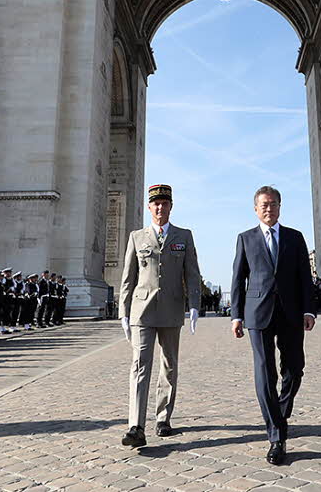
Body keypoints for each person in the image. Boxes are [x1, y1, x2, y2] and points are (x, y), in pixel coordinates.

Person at [230, 186, 315, 466]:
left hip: (291, 313)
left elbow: (306, 276)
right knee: (265, 373)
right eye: (264, 205)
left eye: (274, 204)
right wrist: (236, 316)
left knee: (295, 368)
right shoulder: (245, 239)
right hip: (258, 313)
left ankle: (280, 410)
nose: (269, 208)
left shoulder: (295, 237)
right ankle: (276, 436)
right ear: (255, 209)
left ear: (280, 207)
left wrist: (309, 310)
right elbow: (238, 279)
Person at [119, 184, 202, 449]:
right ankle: (136, 425)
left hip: (171, 309)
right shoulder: (136, 237)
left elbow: (192, 273)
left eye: (164, 203)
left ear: (170, 206)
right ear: (149, 207)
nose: (160, 208)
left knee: (169, 365)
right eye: (155, 204)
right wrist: (123, 310)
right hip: (141, 311)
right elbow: (128, 277)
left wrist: (195, 305)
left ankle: (163, 417)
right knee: (140, 366)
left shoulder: (184, 235)